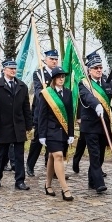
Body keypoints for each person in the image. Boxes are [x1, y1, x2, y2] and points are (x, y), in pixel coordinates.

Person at [0, 58, 32, 190]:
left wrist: (28, 125)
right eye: (10, 68)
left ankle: (20, 180)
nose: (13, 70)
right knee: (2, 153)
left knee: (19, 154)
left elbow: (26, 108)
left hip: (18, 125)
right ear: (4, 69)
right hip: (3, 125)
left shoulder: (22, 86)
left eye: (14, 68)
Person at [36, 67, 76, 200]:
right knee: (58, 156)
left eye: (63, 76)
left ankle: (47, 185)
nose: (61, 79)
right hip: (50, 132)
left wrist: (71, 133)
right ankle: (65, 189)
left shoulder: (68, 93)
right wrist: (41, 134)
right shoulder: (46, 93)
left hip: (63, 132)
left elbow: (70, 114)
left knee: (52, 158)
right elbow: (42, 115)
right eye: (58, 76)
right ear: (53, 78)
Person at [77, 52, 112, 193]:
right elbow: (86, 97)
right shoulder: (84, 84)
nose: (99, 70)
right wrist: (96, 104)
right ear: (89, 70)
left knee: (101, 156)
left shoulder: (106, 83)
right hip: (90, 125)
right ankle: (99, 184)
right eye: (95, 68)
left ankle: (92, 180)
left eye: (100, 67)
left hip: (104, 126)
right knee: (95, 154)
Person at [26, 49, 59, 177]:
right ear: (45, 60)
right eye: (52, 59)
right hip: (42, 112)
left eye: (56, 59)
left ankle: (52, 168)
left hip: (55, 112)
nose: (54, 61)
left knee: (52, 141)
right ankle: (30, 165)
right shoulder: (39, 73)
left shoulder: (58, 73)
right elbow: (39, 92)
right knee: (38, 141)